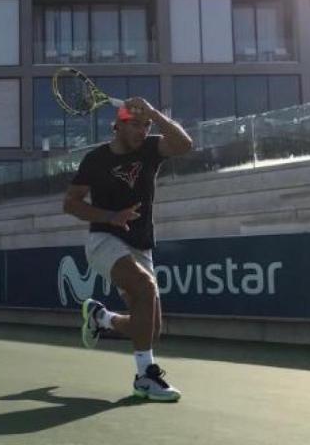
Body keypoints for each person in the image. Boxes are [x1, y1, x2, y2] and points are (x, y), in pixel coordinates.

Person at [62, 97, 193, 402]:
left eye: (146, 124)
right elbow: (70, 203)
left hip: (140, 245)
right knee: (145, 287)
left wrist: (154, 113)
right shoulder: (95, 160)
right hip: (104, 240)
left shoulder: (151, 149)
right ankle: (145, 377)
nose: (142, 130)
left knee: (149, 329)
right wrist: (110, 216)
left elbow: (185, 144)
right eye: (136, 124)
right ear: (118, 125)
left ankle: (100, 317)